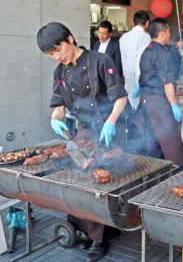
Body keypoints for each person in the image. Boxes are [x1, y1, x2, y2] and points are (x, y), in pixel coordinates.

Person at [37, 22, 128, 261]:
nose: (57, 57)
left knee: (100, 183)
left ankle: (100, 238)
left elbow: (120, 98)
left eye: (58, 50)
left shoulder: (100, 60)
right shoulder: (60, 72)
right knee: (77, 178)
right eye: (51, 55)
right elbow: (58, 106)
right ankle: (84, 228)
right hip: (83, 134)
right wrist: (54, 119)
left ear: (69, 39)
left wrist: (110, 122)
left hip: (108, 130)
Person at [133, 18, 183, 167]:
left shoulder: (147, 50)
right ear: (163, 33)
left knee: (151, 140)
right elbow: (167, 83)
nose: (170, 33)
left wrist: (140, 87)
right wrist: (174, 105)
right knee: (170, 139)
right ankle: (178, 170)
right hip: (158, 102)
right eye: (169, 30)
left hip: (145, 100)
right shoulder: (162, 53)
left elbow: (144, 75)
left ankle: (153, 171)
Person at [119, 11, 151, 111]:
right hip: (140, 78)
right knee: (141, 110)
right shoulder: (146, 38)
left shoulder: (123, 37)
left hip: (127, 77)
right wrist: (140, 81)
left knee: (131, 108)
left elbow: (123, 59)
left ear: (133, 22)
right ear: (147, 23)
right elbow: (142, 61)